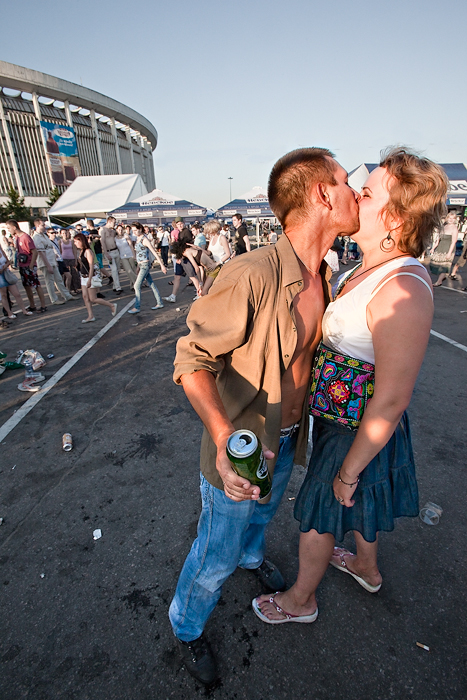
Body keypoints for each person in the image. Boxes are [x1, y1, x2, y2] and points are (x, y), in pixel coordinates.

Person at [168, 147, 360, 685]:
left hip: (287, 437)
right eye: (345, 182)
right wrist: (228, 441)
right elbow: (191, 359)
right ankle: (186, 626)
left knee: (261, 520)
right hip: (241, 447)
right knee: (214, 556)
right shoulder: (251, 274)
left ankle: (254, 560)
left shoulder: (324, 274)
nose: (355, 193)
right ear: (321, 194)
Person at [253, 147, 448, 627]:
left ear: (396, 220)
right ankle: (365, 565)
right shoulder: (363, 268)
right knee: (358, 502)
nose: (352, 199)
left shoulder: (405, 286)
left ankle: (301, 600)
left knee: (323, 511)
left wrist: (347, 470)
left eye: (364, 193)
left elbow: (393, 397)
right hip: (343, 420)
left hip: (355, 431)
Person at [73, 232, 117, 323]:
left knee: (93, 298)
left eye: (76, 241)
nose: (75, 243)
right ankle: (90, 315)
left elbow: (91, 266)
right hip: (84, 276)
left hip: (91, 276)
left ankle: (111, 305)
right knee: (85, 297)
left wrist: (89, 279)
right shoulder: (81, 251)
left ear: (81, 241)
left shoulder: (88, 251)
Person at [6, 220, 48, 313]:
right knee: (26, 286)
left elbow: (34, 251)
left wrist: (31, 265)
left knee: (36, 285)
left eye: (9, 228)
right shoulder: (17, 237)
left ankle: (43, 305)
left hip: (29, 265)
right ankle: (32, 305)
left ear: (14, 227)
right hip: (22, 265)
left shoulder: (25, 237)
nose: (8, 230)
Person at [127, 222, 167, 314]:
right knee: (151, 284)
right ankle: (159, 302)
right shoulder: (138, 239)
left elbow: (154, 252)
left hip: (145, 264)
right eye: (133, 231)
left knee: (136, 286)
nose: (134, 232)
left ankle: (137, 307)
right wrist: (138, 266)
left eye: (135, 230)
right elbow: (138, 254)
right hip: (141, 265)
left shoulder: (145, 239)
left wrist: (162, 265)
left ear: (140, 229)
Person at [32, 219, 74, 305]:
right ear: (37, 226)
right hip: (46, 262)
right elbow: (41, 252)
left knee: (58, 279)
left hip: (52, 260)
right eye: (43, 225)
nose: (44, 227)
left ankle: (67, 295)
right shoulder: (36, 237)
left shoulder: (44, 236)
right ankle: (54, 299)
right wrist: (48, 265)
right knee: (49, 281)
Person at [163, 218, 201, 303]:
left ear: (183, 223)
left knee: (192, 276)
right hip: (181, 257)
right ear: (176, 225)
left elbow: (186, 246)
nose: (180, 225)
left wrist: (179, 257)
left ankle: (200, 293)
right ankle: (173, 296)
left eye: (181, 224)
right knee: (177, 276)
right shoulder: (180, 232)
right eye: (178, 224)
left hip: (186, 258)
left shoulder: (186, 232)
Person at [0, 240, 32, 318]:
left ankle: (24, 310)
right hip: (0, 276)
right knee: (3, 295)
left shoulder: (1, 250)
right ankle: (9, 313)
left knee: (16, 293)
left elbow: (8, 261)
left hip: (6, 273)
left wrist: (5, 266)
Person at [431, 211, 459, 286]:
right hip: (441, 247)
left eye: (453, 218)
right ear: (447, 218)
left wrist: (449, 253)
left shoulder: (454, 228)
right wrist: (433, 248)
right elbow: (439, 239)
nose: (451, 220)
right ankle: (441, 278)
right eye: (450, 218)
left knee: (444, 266)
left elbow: (454, 241)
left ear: (455, 219)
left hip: (448, 248)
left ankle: (439, 281)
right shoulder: (444, 226)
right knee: (436, 264)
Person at [99, 216, 122, 295]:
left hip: (116, 250)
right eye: (114, 222)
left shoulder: (113, 231)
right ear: (109, 221)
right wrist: (106, 253)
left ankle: (115, 286)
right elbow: (103, 242)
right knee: (114, 269)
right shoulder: (103, 230)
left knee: (118, 270)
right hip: (109, 252)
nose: (114, 224)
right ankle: (118, 287)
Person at [59, 229, 81, 294]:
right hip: (64, 259)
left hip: (72, 258)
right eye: (63, 233)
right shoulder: (60, 242)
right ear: (61, 234)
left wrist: (76, 260)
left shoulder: (71, 241)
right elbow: (60, 252)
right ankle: (68, 289)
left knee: (74, 273)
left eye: (66, 233)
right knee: (67, 275)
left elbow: (74, 250)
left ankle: (75, 288)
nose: (65, 234)